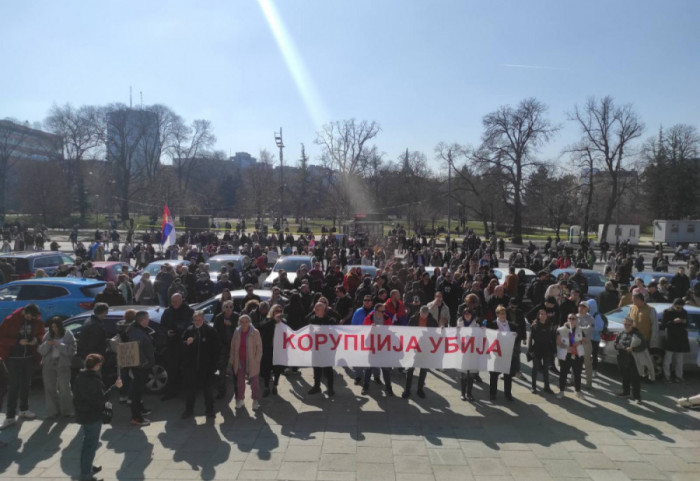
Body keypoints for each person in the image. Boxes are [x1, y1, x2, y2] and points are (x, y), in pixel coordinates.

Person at [72, 353, 122, 481]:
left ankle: (87, 468)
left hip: (83, 414)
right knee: (90, 445)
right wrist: (115, 387)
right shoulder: (93, 380)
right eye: (100, 365)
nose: (100, 367)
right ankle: (85, 475)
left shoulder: (80, 377)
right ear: (96, 365)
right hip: (92, 416)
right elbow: (101, 399)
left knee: (86, 443)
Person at [0, 304, 44, 429]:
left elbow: (42, 333)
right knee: (13, 386)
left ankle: (24, 409)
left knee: (26, 384)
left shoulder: (37, 320)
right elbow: (1, 338)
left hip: (29, 358)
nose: (30, 319)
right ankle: (10, 416)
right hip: (13, 359)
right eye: (29, 316)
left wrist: (37, 339)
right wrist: (16, 342)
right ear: (24, 312)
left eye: (33, 317)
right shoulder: (10, 320)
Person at [181, 310, 220, 418]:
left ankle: (210, 410)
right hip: (192, 367)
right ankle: (189, 410)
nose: (197, 322)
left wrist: (214, 365)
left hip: (206, 367)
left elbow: (216, 349)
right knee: (190, 390)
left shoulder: (210, 331)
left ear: (203, 319)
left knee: (208, 389)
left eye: (199, 320)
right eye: (195, 320)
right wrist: (186, 343)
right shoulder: (189, 330)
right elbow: (181, 345)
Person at [38, 316, 76, 419]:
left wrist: (59, 344)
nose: (54, 329)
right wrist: (47, 344)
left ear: (60, 326)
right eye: (52, 327)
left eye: (56, 326)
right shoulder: (48, 335)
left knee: (64, 388)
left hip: (63, 364)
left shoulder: (68, 334)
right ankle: (53, 411)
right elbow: (41, 351)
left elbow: (72, 351)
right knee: (50, 388)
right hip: (49, 364)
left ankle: (67, 411)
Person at [160, 293, 194, 400]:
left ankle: (188, 391)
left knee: (187, 368)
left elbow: (191, 325)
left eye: (176, 302)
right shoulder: (167, 311)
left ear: (181, 301)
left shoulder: (188, 311)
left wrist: (182, 330)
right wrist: (167, 332)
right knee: (172, 368)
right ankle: (171, 391)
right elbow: (162, 325)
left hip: (185, 343)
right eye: (172, 302)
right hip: (172, 343)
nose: (174, 304)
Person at [127, 310, 156, 426]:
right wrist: (144, 363)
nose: (149, 320)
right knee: (136, 392)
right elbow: (137, 351)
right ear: (142, 320)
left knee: (138, 391)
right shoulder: (137, 333)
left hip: (140, 366)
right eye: (147, 318)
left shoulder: (137, 330)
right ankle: (136, 418)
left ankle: (140, 410)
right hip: (139, 367)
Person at [485, 305, 520, 401]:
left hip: (508, 354)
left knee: (508, 375)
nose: (503, 315)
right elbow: (487, 337)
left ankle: (508, 394)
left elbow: (517, 338)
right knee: (494, 375)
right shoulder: (492, 325)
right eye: (501, 313)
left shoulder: (512, 325)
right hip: (496, 354)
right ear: (497, 314)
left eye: (504, 313)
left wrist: (515, 336)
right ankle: (492, 393)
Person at [230, 315, 263, 409]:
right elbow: (232, 346)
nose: (244, 324)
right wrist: (232, 359)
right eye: (242, 322)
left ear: (249, 322)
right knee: (240, 382)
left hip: (252, 361)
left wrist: (257, 360)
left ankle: (255, 401)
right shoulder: (237, 332)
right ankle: (241, 399)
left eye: (246, 321)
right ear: (239, 323)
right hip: (239, 361)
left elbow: (259, 347)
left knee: (255, 382)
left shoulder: (255, 332)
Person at [361, 304, 394, 396]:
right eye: (382, 311)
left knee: (386, 369)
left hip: (383, 347)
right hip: (372, 347)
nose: (384, 313)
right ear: (376, 311)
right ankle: (365, 386)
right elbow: (363, 331)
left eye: (384, 311)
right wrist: (370, 328)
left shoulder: (387, 318)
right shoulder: (369, 318)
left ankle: (388, 387)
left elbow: (390, 331)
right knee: (369, 368)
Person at [306, 302, 337, 396]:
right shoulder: (312, 320)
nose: (315, 310)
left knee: (328, 369)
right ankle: (316, 387)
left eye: (318, 309)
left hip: (327, 350)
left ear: (323, 310)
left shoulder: (330, 320)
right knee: (316, 368)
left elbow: (335, 334)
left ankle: (330, 388)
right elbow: (308, 332)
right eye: (315, 308)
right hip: (316, 348)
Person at [614, 317, 645, 403]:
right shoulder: (621, 333)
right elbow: (616, 343)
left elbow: (643, 346)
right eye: (625, 324)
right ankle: (626, 392)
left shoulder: (637, 334)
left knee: (635, 379)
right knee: (624, 377)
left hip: (633, 359)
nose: (627, 326)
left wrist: (632, 349)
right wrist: (616, 346)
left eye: (629, 324)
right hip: (622, 358)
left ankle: (637, 397)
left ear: (632, 325)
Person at [213, 299, 239, 399]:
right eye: (226, 307)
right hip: (223, 347)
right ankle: (221, 392)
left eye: (230, 307)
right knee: (222, 371)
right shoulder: (218, 318)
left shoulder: (237, 316)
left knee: (235, 370)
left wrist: (232, 325)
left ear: (233, 308)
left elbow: (242, 330)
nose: (228, 309)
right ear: (223, 308)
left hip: (234, 346)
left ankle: (238, 392)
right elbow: (215, 333)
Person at [258, 304, 285, 397]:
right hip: (268, 349)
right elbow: (261, 326)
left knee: (277, 369)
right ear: (272, 312)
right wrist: (273, 321)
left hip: (279, 350)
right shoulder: (268, 320)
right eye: (276, 311)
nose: (279, 313)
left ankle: (275, 386)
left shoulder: (284, 322)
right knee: (266, 369)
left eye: (280, 311)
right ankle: (266, 387)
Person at [556, 314, 585, 399]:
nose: (572, 320)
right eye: (570, 318)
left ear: (576, 320)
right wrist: (567, 347)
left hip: (577, 354)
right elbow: (558, 342)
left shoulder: (580, 329)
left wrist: (579, 342)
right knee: (563, 373)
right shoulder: (561, 329)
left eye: (573, 319)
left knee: (577, 374)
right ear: (567, 319)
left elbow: (585, 339)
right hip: (566, 354)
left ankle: (578, 391)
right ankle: (561, 391)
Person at [661, 298, 690, 383]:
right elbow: (663, 325)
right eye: (678, 308)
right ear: (674, 306)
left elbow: (688, 324)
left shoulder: (684, 312)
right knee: (668, 358)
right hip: (671, 337)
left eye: (681, 307)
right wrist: (674, 322)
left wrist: (684, 321)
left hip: (681, 338)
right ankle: (667, 376)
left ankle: (679, 376)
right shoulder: (667, 312)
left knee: (679, 359)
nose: (680, 309)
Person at [456, 307, 481, 401]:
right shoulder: (459, 324)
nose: (467, 315)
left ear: (471, 315)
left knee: (471, 375)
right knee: (463, 375)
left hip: (472, 352)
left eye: (469, 314)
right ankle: (462, 393)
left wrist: (483, 330)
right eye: (465, 314)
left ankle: (469, 393)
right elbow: (455, 338)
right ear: (463, 315)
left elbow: (479, 338)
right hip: (462, 352)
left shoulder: (476, 326)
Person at [528, 309, 554, 395]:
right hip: (537, 349)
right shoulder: (535, 325)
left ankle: (547, 387)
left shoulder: (549, 325)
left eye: (544, 314)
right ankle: (533, 386)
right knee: (535, 368)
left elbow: (552, 339)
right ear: (538, 316)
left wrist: (553, 350)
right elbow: (530, 339)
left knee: (546, 369)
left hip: (546, 349)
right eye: (541, 314)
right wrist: (530, 350)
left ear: (546, 315)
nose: (543, 316)